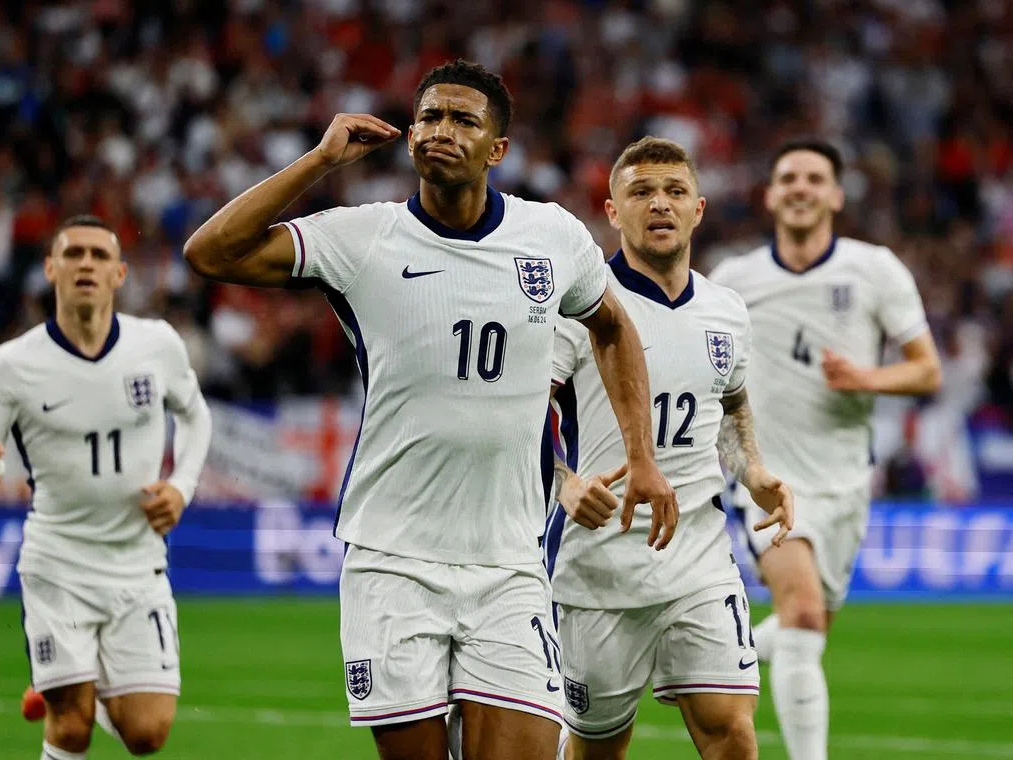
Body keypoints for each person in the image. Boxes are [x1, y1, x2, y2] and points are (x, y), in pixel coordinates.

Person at [183, 59, 678, 760]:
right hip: (393, 561)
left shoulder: (552, 237)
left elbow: (612, 326)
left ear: (496, 150)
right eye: (430, 117)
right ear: (410, 134)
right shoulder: (362, 238)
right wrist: (320, 161)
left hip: (509, 561)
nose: (442, 130)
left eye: (464, 120)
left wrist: (641, 458)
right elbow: (210, 252)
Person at [545, 137, 794, 760]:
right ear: (611, 210)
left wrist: (753, 469)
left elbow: (729, 403)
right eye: (642, 192)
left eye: (675, 192)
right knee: (599, 746)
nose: (660, 204)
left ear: (699, 209)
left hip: (699, 557)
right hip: (598, 566)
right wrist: (563, 482)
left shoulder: (725, 311)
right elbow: (522, 415)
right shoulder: (580, 305)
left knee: (732, 732)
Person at [709, 138, 942, 760]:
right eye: (788, 177)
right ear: (770, 194)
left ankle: (711, 656)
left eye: (815, 178)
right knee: (805, 615)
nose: (801, 187)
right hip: (767, 479)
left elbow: (926, 372)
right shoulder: (733, 281)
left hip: (846, 482)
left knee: (804, 628)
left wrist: (868, 378)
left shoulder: (875, 270)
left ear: (836, 194)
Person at [0, 215, 213, 760]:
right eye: (73, 255)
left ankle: (76, 686)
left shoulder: (156, 345)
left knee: (147, 735)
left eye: (98, 255)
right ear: (51, 269)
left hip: (138, 564)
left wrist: (182, 486)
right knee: (70, 730)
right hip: (57, 566)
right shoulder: (12, 365)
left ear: (119, 273)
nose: (86, 264)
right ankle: (70, 693)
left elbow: (195, 416)